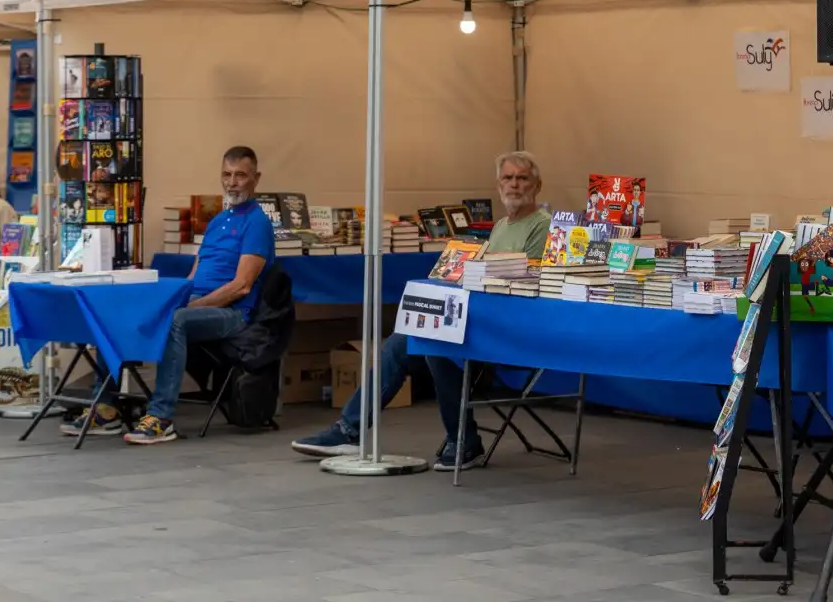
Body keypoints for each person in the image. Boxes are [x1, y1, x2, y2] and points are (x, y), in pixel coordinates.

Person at [293, 150, 551, 470]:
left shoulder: (542, 225)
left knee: (432, 342)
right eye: (508, 178)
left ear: (537, 184)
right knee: (404, 336)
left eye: (522, 178)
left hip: (507, 328)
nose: (514, 185)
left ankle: (463, 440)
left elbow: (527, 283)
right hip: (478, 318)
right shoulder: (500, 225)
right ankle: (351, 430)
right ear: (498, 184)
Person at [121, 145, 275, 445]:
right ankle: (109, 406)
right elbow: (194, 275)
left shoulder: (257, 223)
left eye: (240, 175)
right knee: (128, 309)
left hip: (234, 314)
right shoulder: (217, 221)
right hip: (201, 305)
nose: (232, 182)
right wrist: (168, 299)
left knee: (177, 320)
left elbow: (241, 286)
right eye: (227, 175)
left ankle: (161, 417)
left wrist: (191, 305)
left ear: (256, 178)